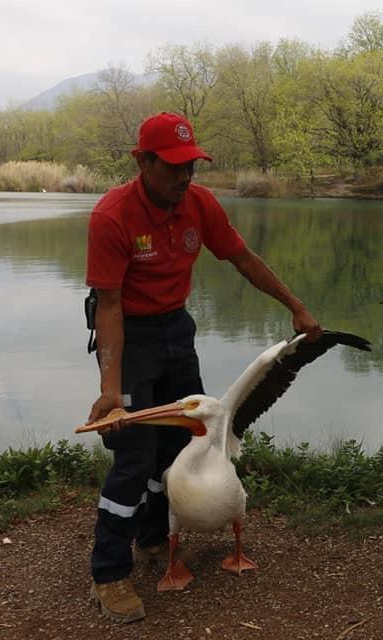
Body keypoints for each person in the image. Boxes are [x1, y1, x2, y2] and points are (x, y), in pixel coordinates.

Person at [84, 111, 322, 623]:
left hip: (177, 330)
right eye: (172, 167)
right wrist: (110, 387)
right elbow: (108, 306)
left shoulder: (199, 204)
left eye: (190, 165)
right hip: (129, 334)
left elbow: (244, 259)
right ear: (142, 161)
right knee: (132, 455)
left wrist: (295, 305)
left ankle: (151, 541)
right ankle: (108, 574)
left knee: (181, 443)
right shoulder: (112, 216)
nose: (184, 176)